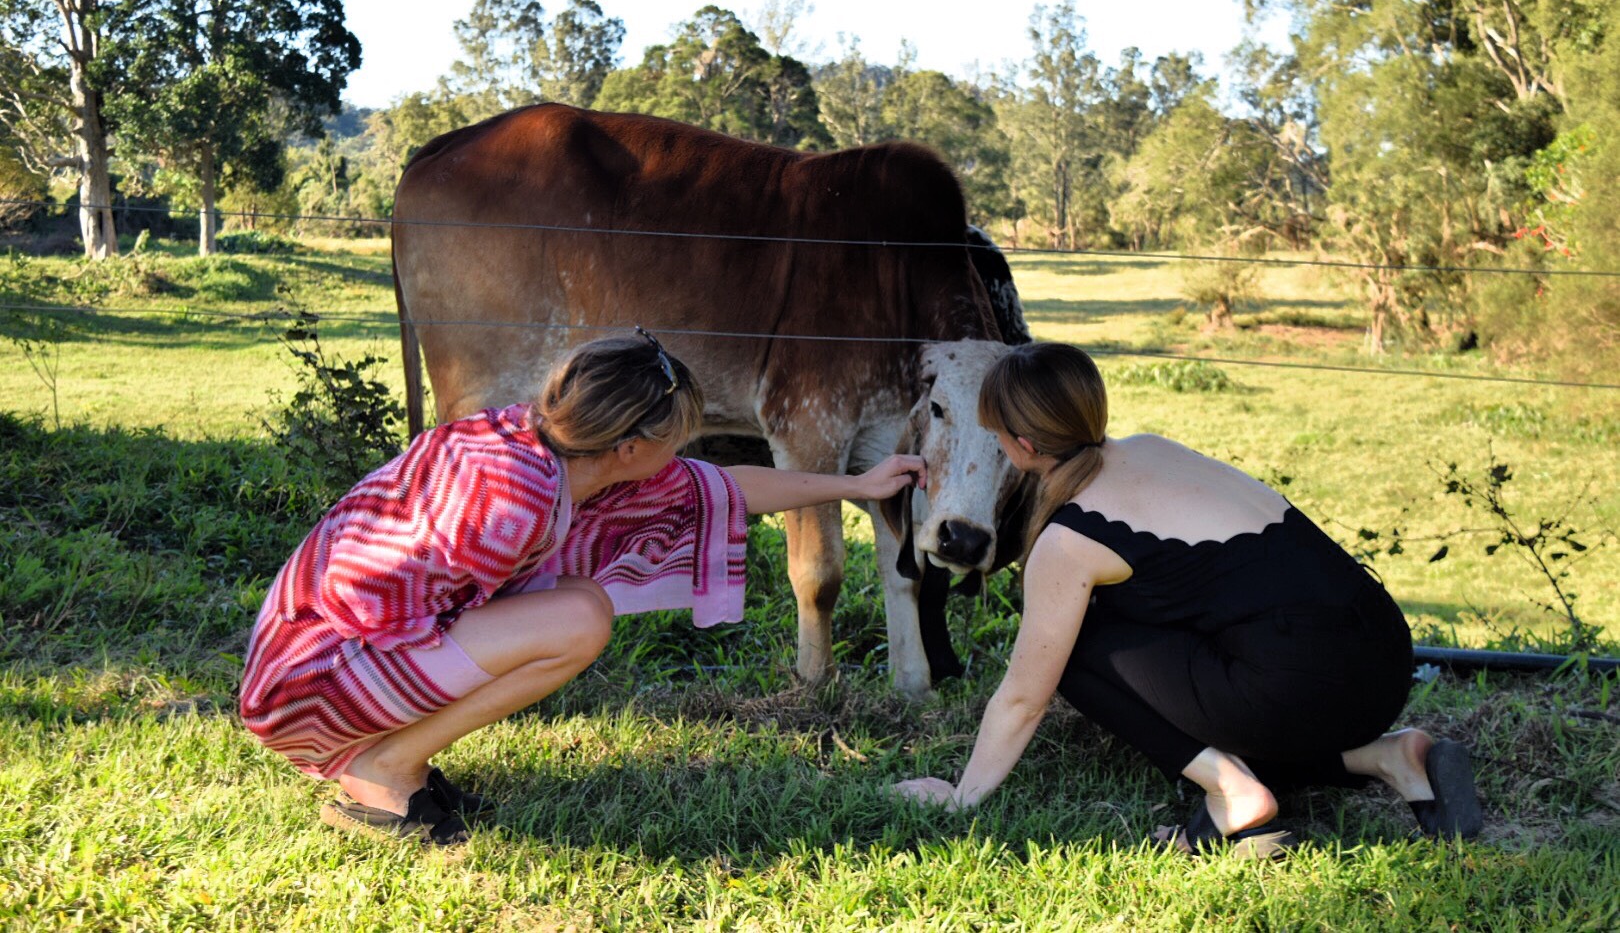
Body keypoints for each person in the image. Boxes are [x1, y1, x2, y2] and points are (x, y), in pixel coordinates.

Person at [240, 330, 925, 846]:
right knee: (576, 622)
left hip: (327, 656)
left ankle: (393, 759)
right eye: (676, 438)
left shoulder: (548, 450)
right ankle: (383, 769)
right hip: (311, 676)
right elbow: (377, 597)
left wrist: (859, 485)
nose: (683, 452)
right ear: (628, 448)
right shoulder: (509, 499)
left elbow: (723, 488)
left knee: (579, 608)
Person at [892, 341, 1482, 857]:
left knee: (1068, 649)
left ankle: (1233, 791)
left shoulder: (1069, 542)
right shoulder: (1154, 448)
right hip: (1383, 655)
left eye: (995, 434)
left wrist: (962, 796)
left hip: (1301, 687)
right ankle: (1386, 757)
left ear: (1021, 445)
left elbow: (1025, 697)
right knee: (1140, 620)